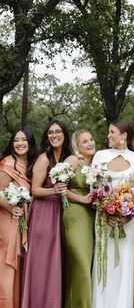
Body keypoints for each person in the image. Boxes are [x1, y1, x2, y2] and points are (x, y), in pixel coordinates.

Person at [92, 120, 134, 308]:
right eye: (108, 132)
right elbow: (94, 186)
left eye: (112, 132)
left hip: (128, 219)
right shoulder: (100, 155)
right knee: (103, 255)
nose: (108, 135)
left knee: (125, 256)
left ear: (124, 136)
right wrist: (106, 211)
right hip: (103, 217)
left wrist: (128, 214)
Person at [21, 120, 71, 308]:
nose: (54, 135)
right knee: (42, 261)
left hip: (61, 213)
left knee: (56, 262)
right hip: (44, 213)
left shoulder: (68, 158)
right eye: (50, 133)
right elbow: (35, 190)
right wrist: (54, 191)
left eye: (58, 132)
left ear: (64, 134)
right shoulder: (44, 158)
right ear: (47, 136)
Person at [0, 128, 37, 308]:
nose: (20, 143)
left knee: (18, 268)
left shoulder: (31, 165)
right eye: (16, 140)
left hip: (23, 222)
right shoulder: (8, 163)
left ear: (30, 143)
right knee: (7, 267)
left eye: (24, 139)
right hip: (7, 220)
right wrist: (11, 207)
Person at [62, 129, 96, 308]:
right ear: (77, 146)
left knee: (86, 265)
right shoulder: (73, 160)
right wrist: (82, 198)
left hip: (91, 216)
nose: (90, 143)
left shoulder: (97, 163)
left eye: (91, 139)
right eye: (85, 141)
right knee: (81, 263)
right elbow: (60, 187)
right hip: (74, 214)